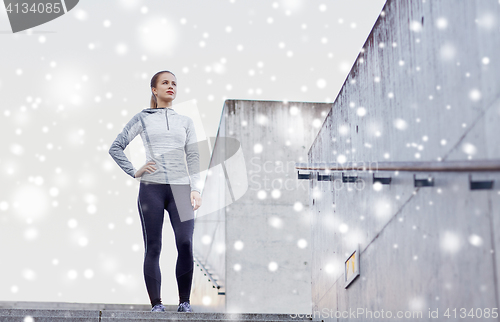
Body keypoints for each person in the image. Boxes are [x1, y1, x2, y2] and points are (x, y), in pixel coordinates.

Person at [108, 70, 202, 313]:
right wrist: (134, 170)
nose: (171, 86)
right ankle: (157, 304)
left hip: (181, 190)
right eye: (165, 83)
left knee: (186, 242)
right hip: (152, 188)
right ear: (154, 89)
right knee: (154, 246)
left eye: (174, 83)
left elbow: (193, 156)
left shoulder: (186, 122)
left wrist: (196, 189)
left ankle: (184, 302)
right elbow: (116, 147)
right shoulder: (143, 118)